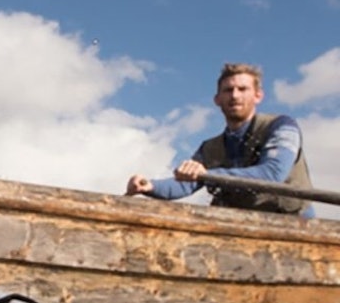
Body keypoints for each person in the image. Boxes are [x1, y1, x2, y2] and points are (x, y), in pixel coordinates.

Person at [126, 63, 314, 218]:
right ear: (217, 99)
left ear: (258, 96)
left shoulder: (281, 126)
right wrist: (150, 186)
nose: (235, 95)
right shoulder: (210, 148)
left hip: (294, 226)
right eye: (228, 90)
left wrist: (209, 175)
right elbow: (186, 183)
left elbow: (273, 173)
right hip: (242, 228)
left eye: (242, 89)